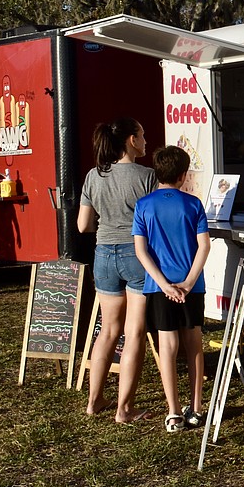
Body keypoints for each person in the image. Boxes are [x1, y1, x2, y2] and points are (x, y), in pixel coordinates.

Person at [78, 117, 158, 423]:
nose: (146, 140)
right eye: (142, 135)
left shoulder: (93, 176)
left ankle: (94, 400)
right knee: (134, 331)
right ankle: (125, 409)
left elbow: (83, 225)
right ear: (131, 140)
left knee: (108, 331)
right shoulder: (146, 176)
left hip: (103, 254)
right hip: (136, 255)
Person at [133, 145, 210, 432]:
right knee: (194, 344)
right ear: (183, 175)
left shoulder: (144, 205)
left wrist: (164, 285)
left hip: (158, 286)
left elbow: (141, 251)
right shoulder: (193, 205)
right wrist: (188, 283)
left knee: (167, 347)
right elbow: (204, 246)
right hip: (192, 286)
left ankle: (173, 412)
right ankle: (197, 408)